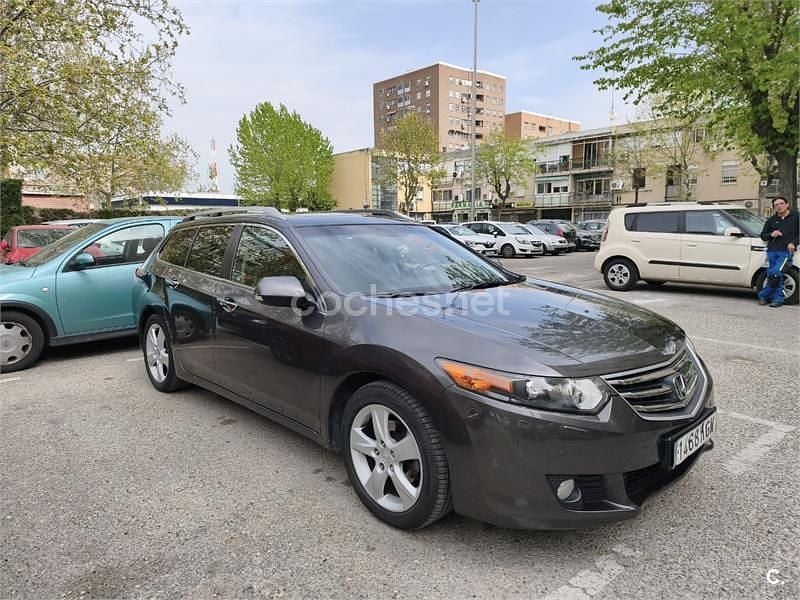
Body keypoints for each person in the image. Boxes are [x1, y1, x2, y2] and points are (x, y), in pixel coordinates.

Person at [758, 196, 799, 307]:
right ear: (774, 207)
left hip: (786, 251)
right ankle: (774, 299)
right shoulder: (771, 220)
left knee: (776, 272)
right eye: (776, 205)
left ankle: (764, 295)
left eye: (781, 203)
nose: (779, 206)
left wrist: (793, 243)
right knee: (772, 274)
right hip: (772, 251)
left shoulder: (796, 216)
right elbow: (763, 236)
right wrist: (771, 234)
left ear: (787, 204)